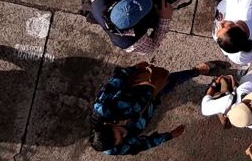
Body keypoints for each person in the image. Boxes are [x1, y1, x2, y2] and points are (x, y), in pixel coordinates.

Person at [89, 59, 221, 155]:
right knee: (165, 87)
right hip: (149, 103)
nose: (124, 135)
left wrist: (134, 68)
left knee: (170, 80)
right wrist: (168, 136)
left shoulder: (103, 107)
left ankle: (196, 71)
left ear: (108, 125)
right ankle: (191, 73)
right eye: (121, 140)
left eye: (120, 133)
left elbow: (115, 82)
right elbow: (141, 145)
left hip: (139, 89)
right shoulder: (113, 148)